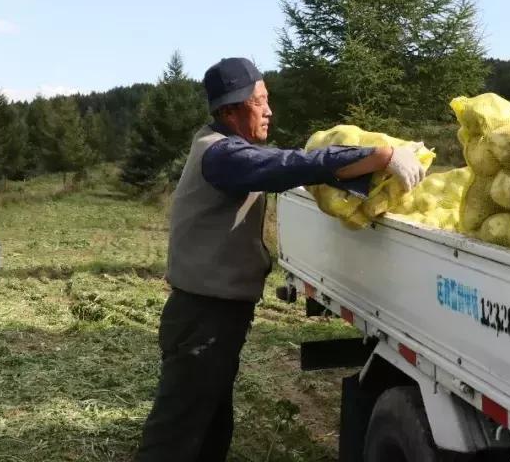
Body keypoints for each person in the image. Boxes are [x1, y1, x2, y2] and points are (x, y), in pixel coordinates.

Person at [135, 57, 426, 462]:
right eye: (260, 102)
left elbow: (280, 164)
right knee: (177, 433)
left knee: (211, 423)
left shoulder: (228, 148)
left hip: (213, 315)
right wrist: (381, 156)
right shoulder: (222, 155)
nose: (269, 110)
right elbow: (284, 165)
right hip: (203, 319)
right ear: (231, 110)